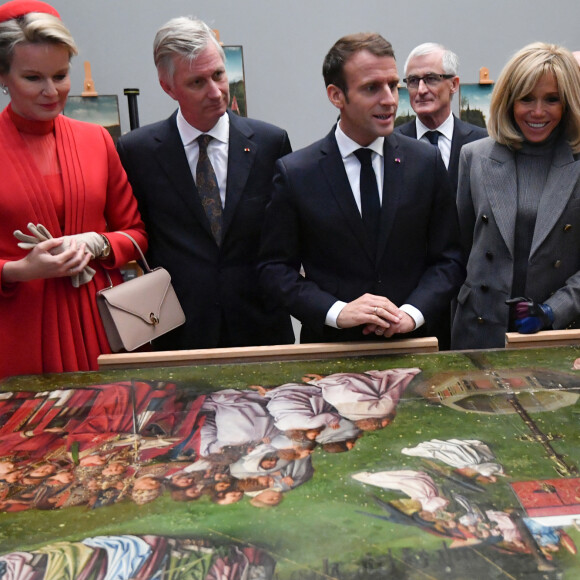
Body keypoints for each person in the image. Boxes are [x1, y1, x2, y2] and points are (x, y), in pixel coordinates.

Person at [259, 33, 465, 346]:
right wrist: (337, 311)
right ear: (336, 95)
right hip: (329, 352)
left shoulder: (425, 162)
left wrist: (411, 313)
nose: (390, 100)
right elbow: (274, 270)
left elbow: (449, 259)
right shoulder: (296, 173)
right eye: (372, 88)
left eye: (393, 85)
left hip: (414, 349)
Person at [117, 16, 294, 350]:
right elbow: (136, 237)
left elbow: (288, 239)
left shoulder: (271, 143)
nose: (216, 92)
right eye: (197, 82)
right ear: (168, 87)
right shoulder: (137, 152)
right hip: (179, 333)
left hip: (261, 328)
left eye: (219, 75)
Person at [0, 0, 147, 379]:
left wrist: (95, 243)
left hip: (102, 326)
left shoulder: (96, 140)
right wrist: (17, 270)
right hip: (17, 334)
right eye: (33, 78)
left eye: (61, 75)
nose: (52, 91)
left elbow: (136, 235)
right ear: (3, 77)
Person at [451, 42, 580, 350]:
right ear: (509, 101)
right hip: (478, 331)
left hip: (554, 335)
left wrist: (553, 310)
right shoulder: (474, 157)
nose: (538, 111)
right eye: (526, 99)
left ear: (568, 104)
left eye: (552, 99)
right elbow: (459, 250)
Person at [396, 43, 487, 193]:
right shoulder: (392, 144)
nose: (421, 90)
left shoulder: (481, 143)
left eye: (431, 79)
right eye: (413, 81)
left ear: (453, 84)